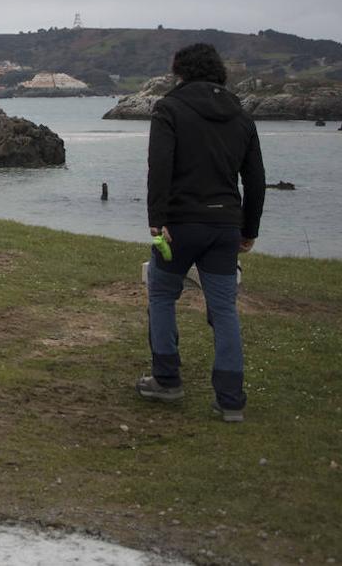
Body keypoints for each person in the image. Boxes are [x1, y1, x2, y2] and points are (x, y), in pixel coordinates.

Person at [138, 43, 265, 422]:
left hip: (178, 224)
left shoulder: (169, 108)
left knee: (161, 294)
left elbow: (159, 167)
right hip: (225, 225)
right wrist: (249, 229)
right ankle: (230, 401)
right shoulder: (242, 117)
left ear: (180, 71)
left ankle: (167, 380)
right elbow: (255, 180)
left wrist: (156, 220)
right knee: (224, 309)